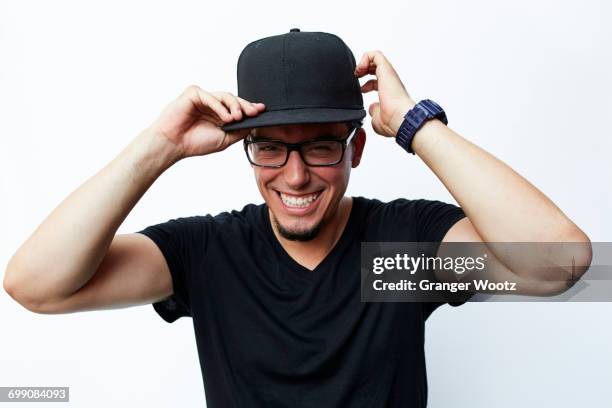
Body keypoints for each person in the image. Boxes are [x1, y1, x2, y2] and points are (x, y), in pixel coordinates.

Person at [3, 29, 591, 407]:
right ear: (247, 152)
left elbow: (563, 263)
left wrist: (415, 123)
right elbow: (35, 286)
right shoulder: (210, 253)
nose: (295, 175)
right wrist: (159, 145)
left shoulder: (397, 255)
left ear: (356, 149)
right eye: (270, 148)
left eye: (319, 146)